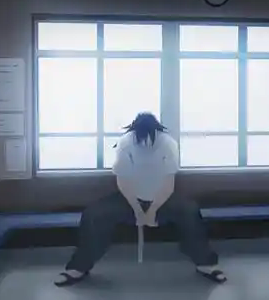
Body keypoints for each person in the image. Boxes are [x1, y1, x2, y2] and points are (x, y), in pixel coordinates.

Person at [54, 112, 226, 286]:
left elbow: (169, 184)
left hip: (162, 198)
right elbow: (123, 181)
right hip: (129, 198)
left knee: (190, 212)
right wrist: (137, 210)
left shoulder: (168, 143)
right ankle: (78, 267)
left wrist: (152, 210)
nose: (145, 142)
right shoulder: (125, 142)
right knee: (93, 215)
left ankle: (206, 264)